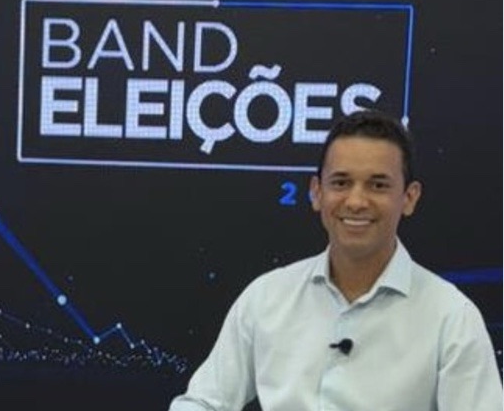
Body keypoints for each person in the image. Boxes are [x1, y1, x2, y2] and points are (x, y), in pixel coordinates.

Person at [168, 109, 503, 411]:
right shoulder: (266, 297)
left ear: (409, 197)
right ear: (317, 192)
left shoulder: (451, 318)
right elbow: (203, 402)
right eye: (341, 183)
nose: (356, 201)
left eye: (377, 185)